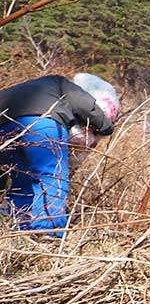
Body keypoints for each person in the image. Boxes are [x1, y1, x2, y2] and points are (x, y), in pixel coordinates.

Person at [0, 73, 120, 235]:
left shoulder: (15, 90)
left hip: (3, 130)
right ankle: (48, 232)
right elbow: (85, 105)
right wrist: (106, 126)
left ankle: (15, 229)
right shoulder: (58, 82)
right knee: (50, 175)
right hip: (40, 123)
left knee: (21, 178)